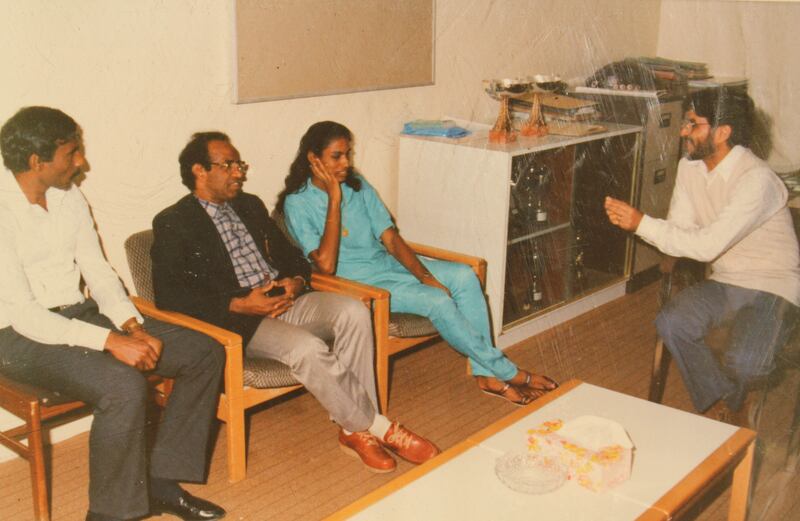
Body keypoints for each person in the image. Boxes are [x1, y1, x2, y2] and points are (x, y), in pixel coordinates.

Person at [151, 131, 438, 474]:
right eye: (228, 165)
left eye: (239, 164)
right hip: (242, 319)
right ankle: (378, 428)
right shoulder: (174, 221)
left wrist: (296, 281)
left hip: (285, 299)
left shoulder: (250, 205)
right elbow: (170, 296)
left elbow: (295, 258)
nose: (239, 173)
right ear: (199, 170)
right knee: (307, 348)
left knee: (353, 311)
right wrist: (238, 305)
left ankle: (353, 429)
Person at [0, 107, 226, 521]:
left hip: (78, 315)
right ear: (37, 162)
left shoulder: (69, 196)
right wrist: (110, 341)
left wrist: (131, 325)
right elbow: (25, 315)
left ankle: (160, 482)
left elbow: (98, 270)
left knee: (203, 352)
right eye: (72, 153)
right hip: (16, 336)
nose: (81, 162)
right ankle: (109, 515)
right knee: (122, 386)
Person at [277, 121, 558, 406]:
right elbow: (324, 265)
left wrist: (424, 275)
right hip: (354, 283)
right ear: (314, 159)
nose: (346, 163)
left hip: (385, 264)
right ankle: (508, 372)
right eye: (336, 156)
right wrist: (334, 200)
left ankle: (486, 374)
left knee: (463, 276)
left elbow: (391, 239)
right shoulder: (297, 203)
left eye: (348, 154)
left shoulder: (357, 186)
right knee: (436, 300)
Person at [604, 88, 800, 423]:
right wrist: (649, 228)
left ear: (723, 133)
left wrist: (641, 223)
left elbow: (706, 246)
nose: (682, 132)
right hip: (726, 282)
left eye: (692, 124)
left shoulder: (757, 180)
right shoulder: (689, 169)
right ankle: (727, 403)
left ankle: (734, 402)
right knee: (672, 321)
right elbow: (681, 232)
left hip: (776, 288)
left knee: (747, 362)